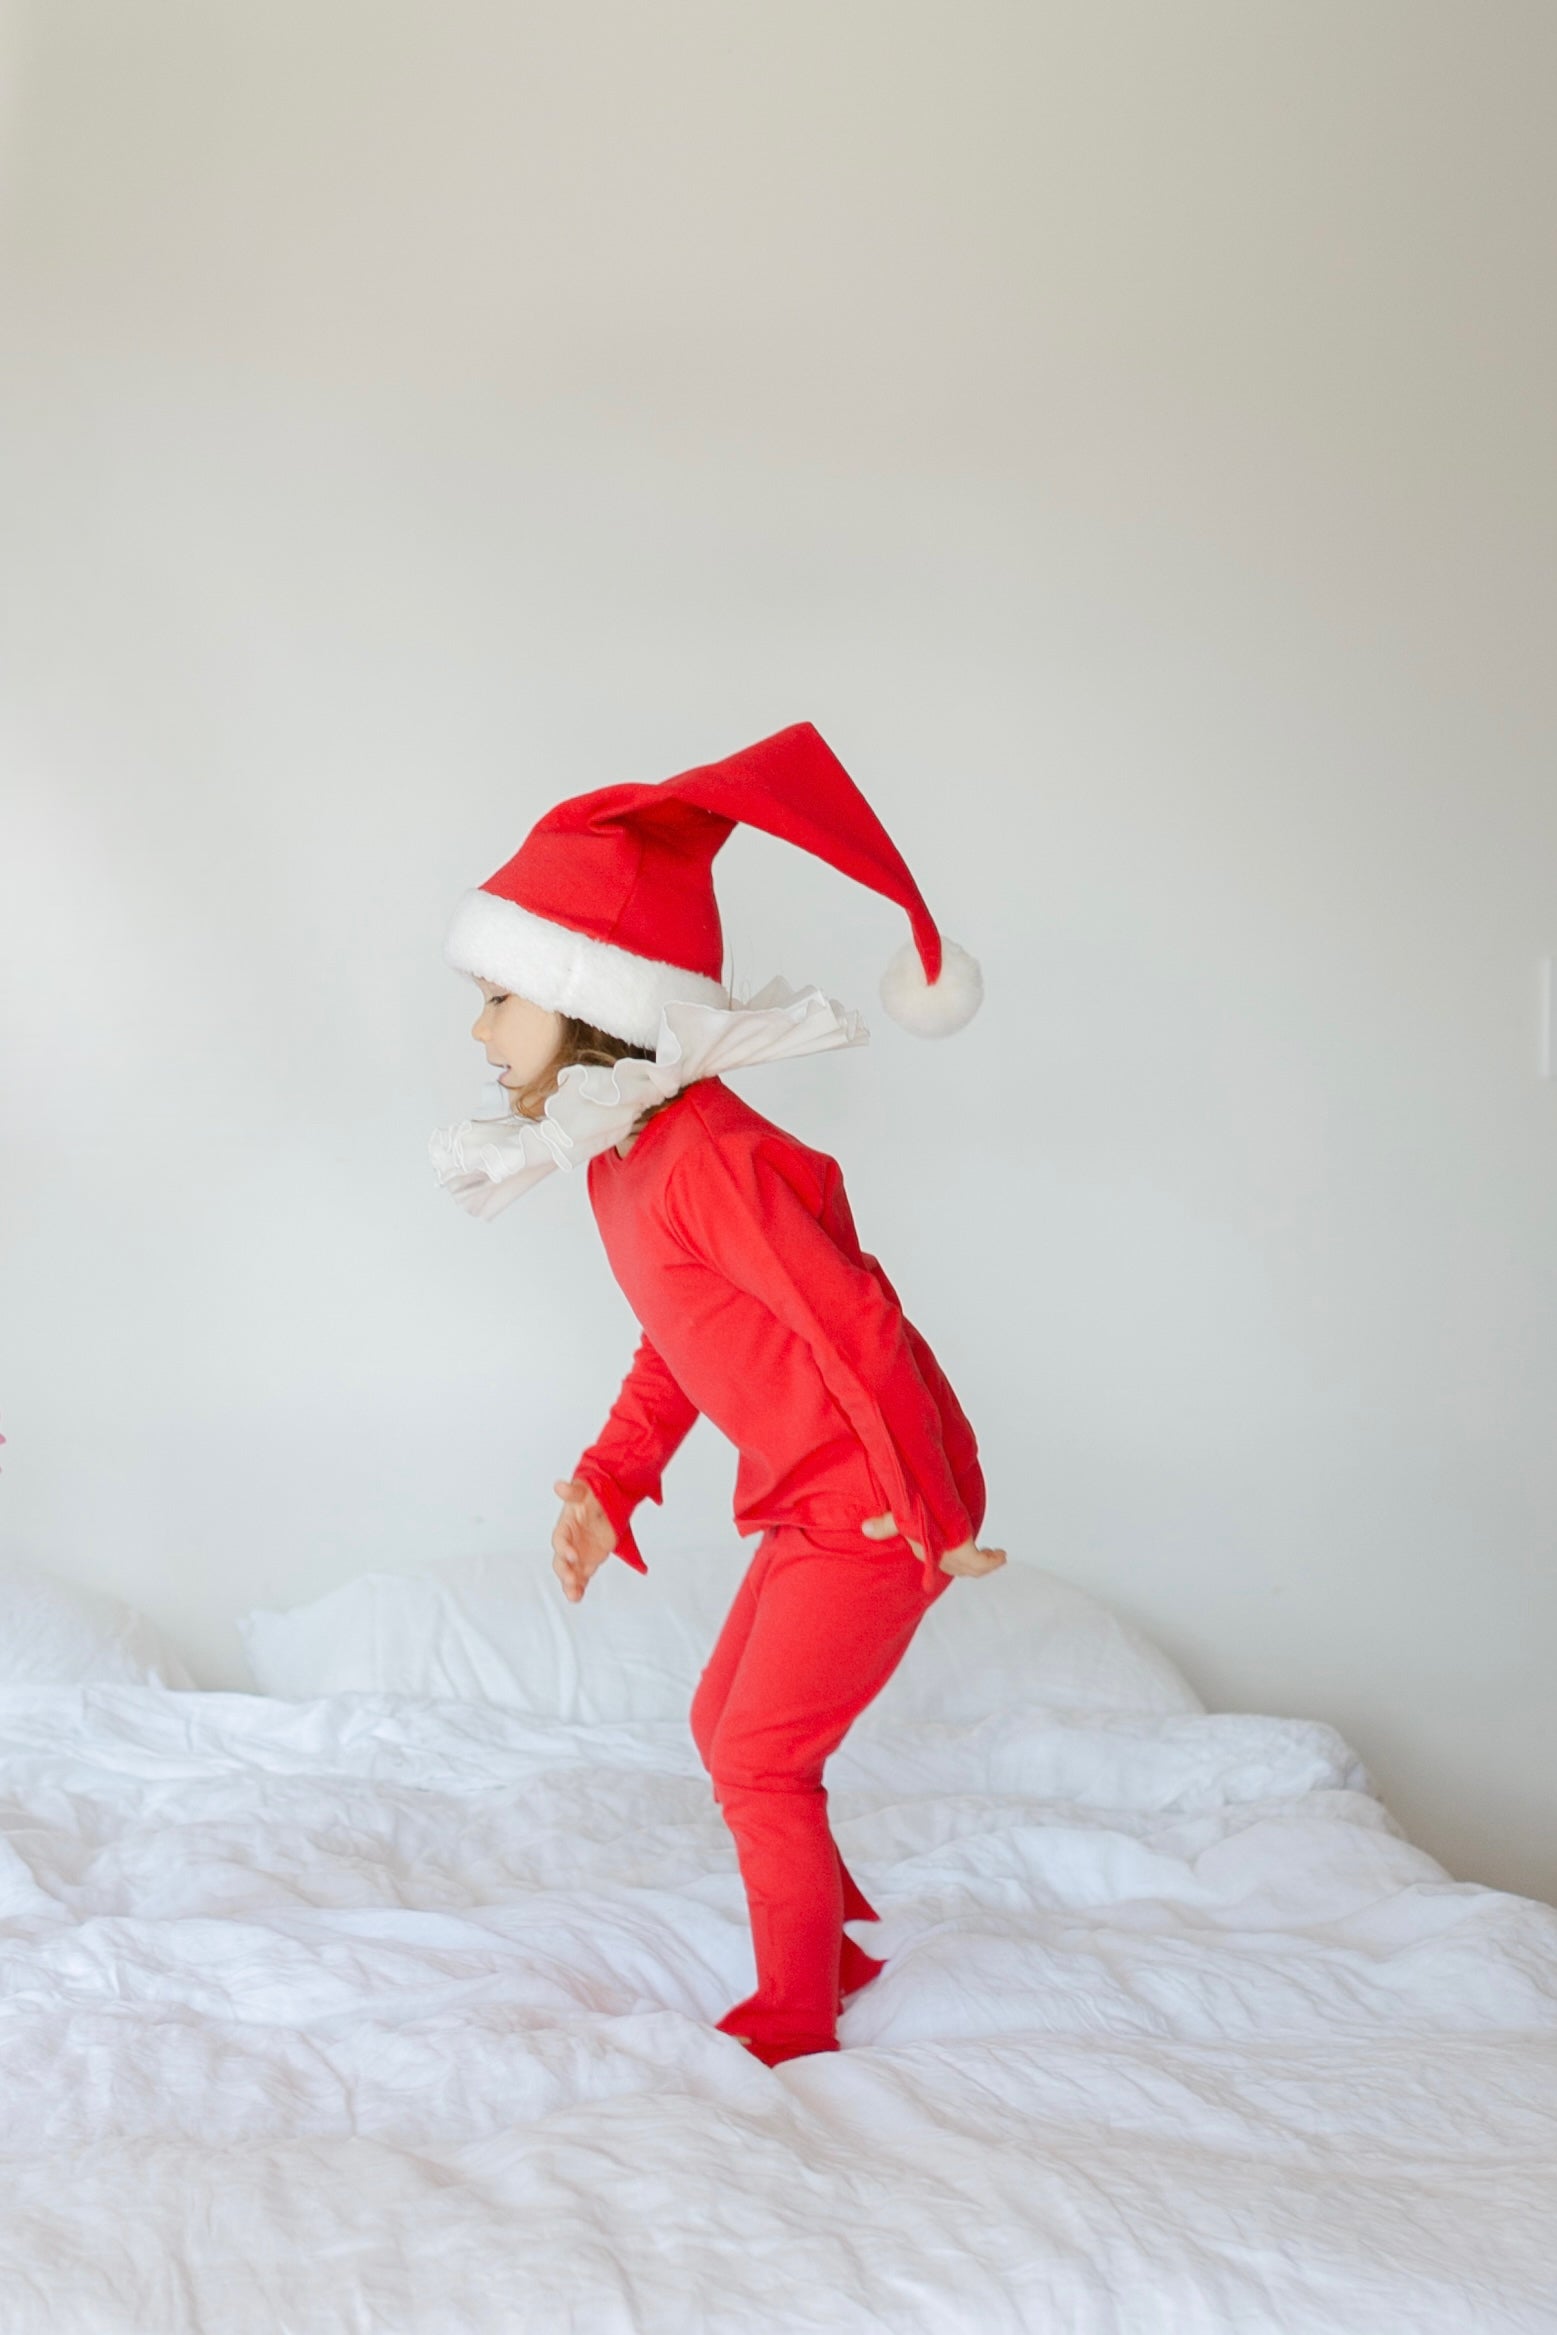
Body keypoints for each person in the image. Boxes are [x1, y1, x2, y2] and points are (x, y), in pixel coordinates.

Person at [428, 719, 1006, 2068]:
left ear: (586, 1001)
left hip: (872, 1500)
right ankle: (846, 1939)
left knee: (758, 1757)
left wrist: (917, 1510)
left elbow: (857, 1324)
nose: (478, 1024)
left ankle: (797, 2008)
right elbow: (673, 1346)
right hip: (820, 1493)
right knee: (719, 1724)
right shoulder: (619, 1160)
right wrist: (609, 1476)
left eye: (500, 995)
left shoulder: (710, 1156)